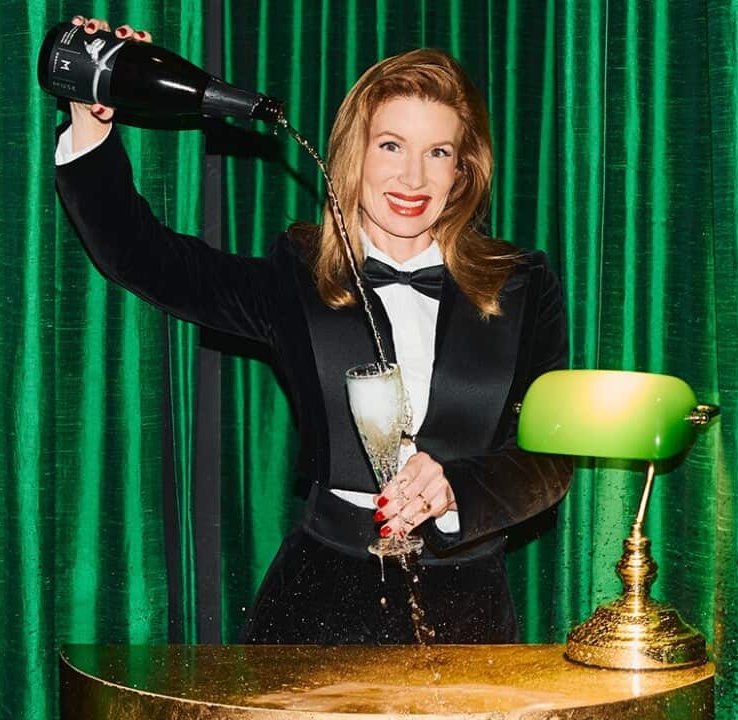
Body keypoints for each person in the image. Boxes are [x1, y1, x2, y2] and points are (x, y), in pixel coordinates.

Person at [54, 16, 574, 644]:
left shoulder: (524, 283)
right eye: (391, 146)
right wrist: (90, 118)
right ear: (353, 156)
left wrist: (456, 487)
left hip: (468, 603)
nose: (412, 179)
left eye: (437, 153)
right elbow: (144, 257)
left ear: (462, 171)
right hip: (317, 596)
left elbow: (550, 457)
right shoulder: (297, 273)